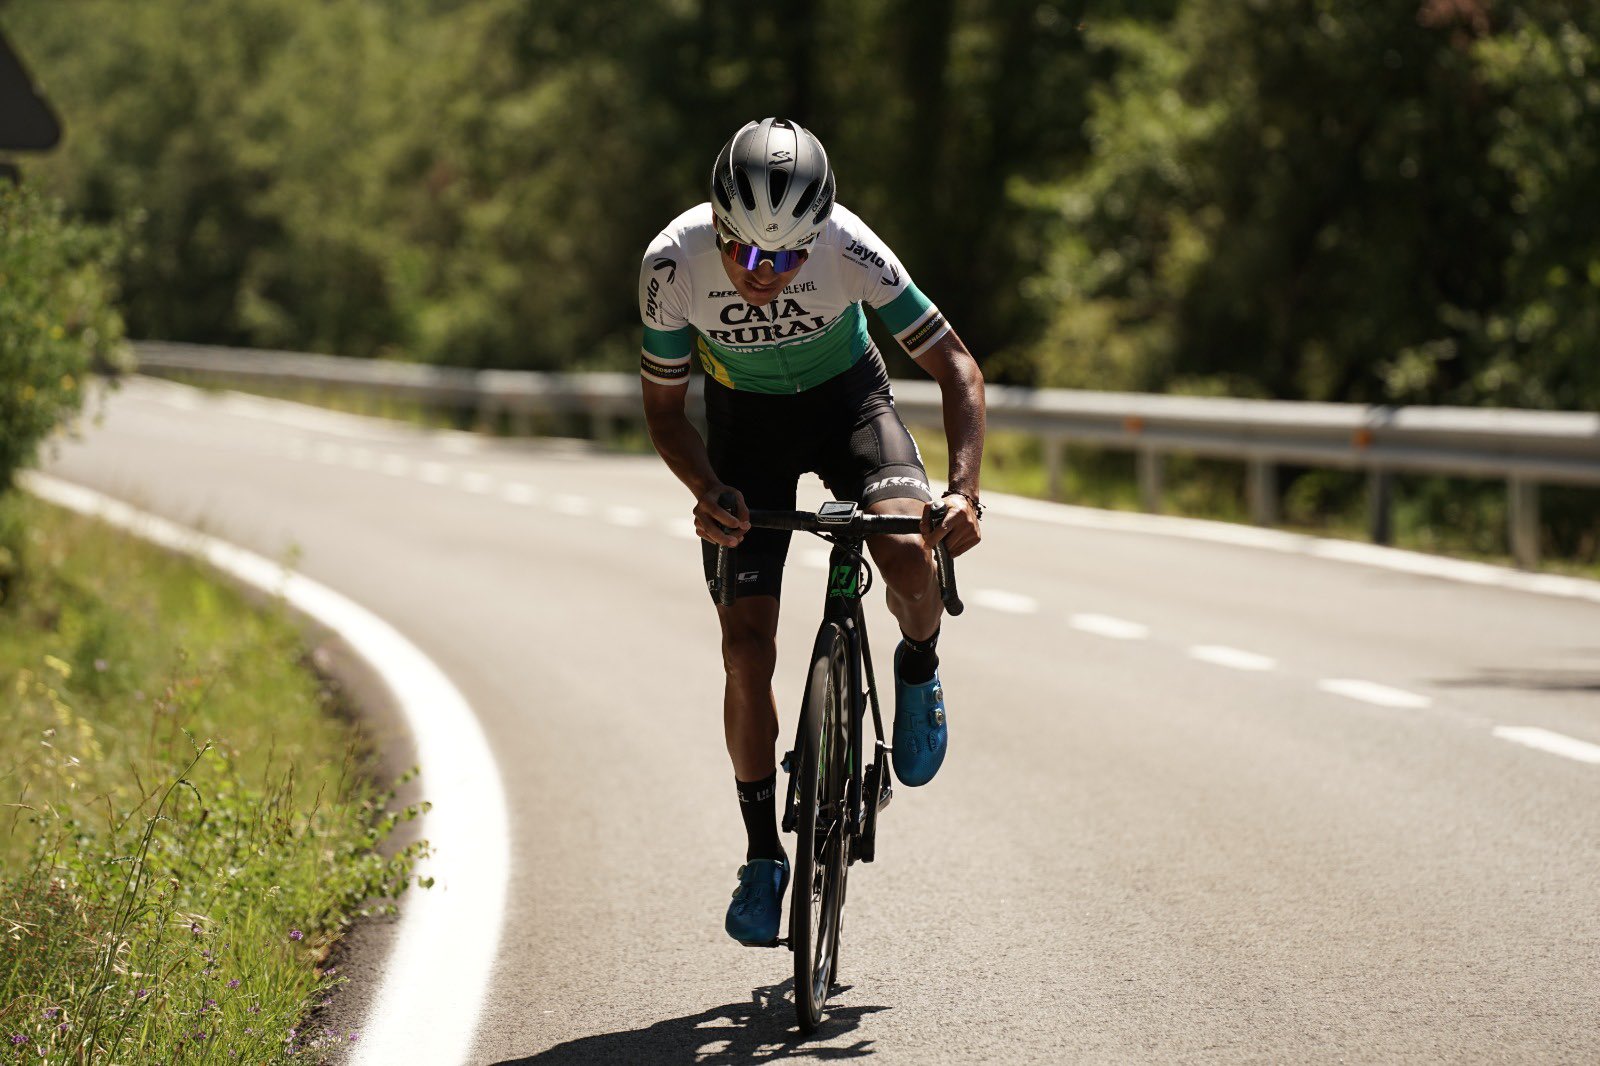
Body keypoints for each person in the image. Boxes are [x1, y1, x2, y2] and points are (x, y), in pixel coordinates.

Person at [638, 117, 985, 946]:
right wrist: (705, 486)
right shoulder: (669, 265)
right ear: (716, 228)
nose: (769, 274)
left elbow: (958, 369)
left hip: (850, 411)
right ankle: (763, 855)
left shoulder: (850, 246)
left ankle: (919, 666)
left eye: (791, 256)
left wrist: (964, 493)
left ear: (819, 233)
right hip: (744, 436)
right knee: (745, 651)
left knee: (905, 552)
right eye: (750, 255)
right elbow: (663, 410)